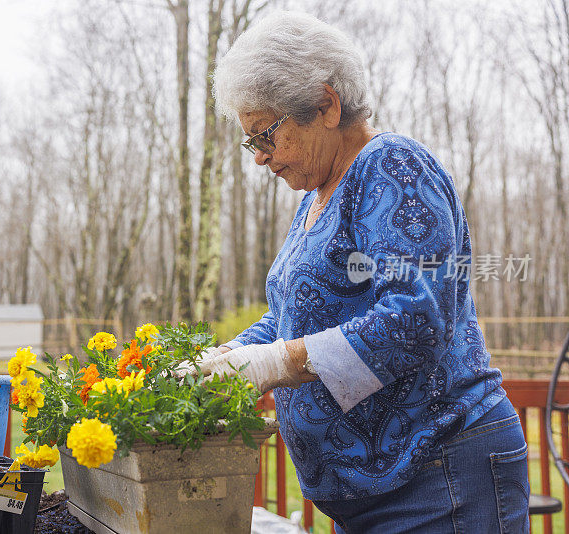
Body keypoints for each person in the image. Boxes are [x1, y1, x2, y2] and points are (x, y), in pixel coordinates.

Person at [198, 10, 529, 533]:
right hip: (372, 494)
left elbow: (416, 317)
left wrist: (276, 363)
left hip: (438, 480)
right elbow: (295, 316)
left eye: (265, 135)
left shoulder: (392, 166)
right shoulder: (315, 199)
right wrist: (234, 356)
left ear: (326, 105)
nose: (260, 158)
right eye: (251, 143)